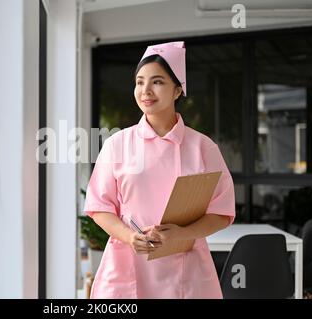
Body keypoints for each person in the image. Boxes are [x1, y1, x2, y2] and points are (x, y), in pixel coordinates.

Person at [83, 41, 236, 299]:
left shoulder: (203, 147)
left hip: (187, 271)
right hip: (128, 267)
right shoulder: (117, 144)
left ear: (177, 91)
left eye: (157, 82)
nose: (146, 90)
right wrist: (130, 237)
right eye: (140, 81)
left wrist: (184, 234)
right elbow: (100, 207)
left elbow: (221, 211)